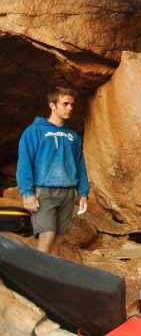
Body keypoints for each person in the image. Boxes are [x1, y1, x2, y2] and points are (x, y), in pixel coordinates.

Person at [16, 87, 89, 255]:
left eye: (72, 104)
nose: (70, 108)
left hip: (67, 193)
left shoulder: (73, 136)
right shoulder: (34, 131)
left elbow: (80, 165)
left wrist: (83, 193)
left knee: (58, 240)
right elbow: (25, 162)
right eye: (65, 104)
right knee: (47, 236)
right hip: (44, 191)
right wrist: (27, 193)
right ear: (52, 105)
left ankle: (49, 280)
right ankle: (35, 279)